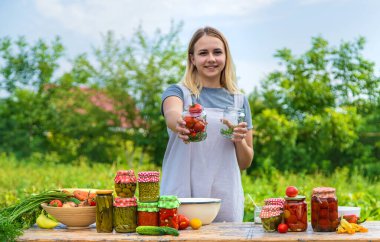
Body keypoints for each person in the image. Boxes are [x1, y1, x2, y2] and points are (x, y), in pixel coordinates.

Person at [160, 26, 254, 222]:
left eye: (217, 52)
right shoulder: (179, 92)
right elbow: (172, 113)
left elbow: (245, 162)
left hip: (224, 197)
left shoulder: (238, 101)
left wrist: (239, 140)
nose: (211, 58)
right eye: (203, 53)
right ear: (192, 59)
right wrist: (179, 122)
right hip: (182, 193)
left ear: (226, 57)